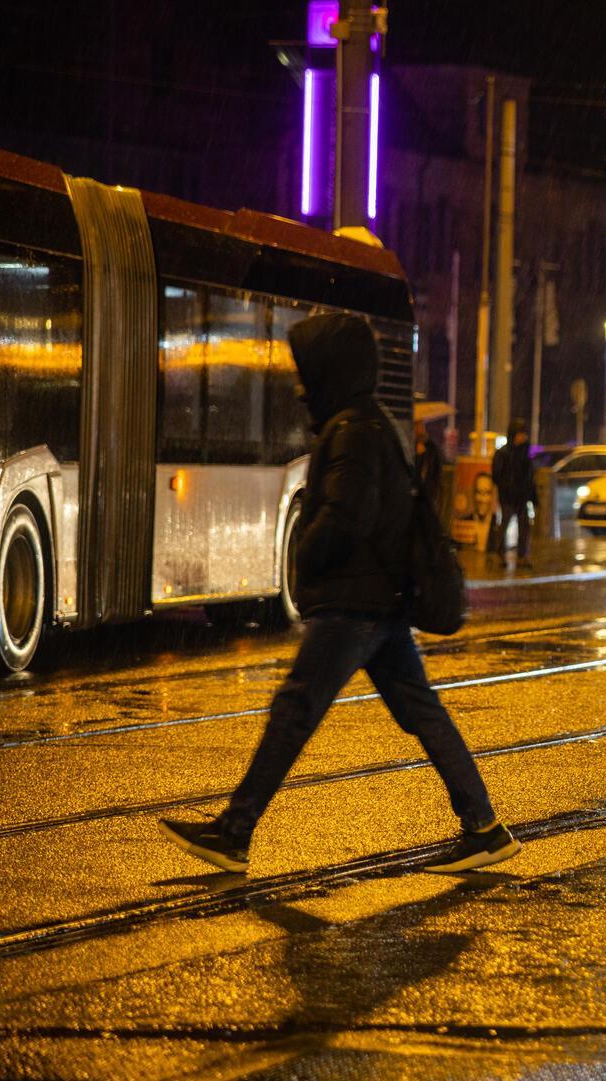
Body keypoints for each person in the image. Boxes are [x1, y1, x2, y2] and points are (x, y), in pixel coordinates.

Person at [160, 313, 517, 874]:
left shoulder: (351, 429)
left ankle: (234, 832)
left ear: (331, 370)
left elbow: (347, 516)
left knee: (294, 711)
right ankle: (484, 827)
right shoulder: (374, 425)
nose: (302, 386)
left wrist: (304, 551)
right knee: (422, 714)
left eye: (308, 372)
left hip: (354, 605)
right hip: (382, 603)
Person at [489, 418, 536, 565]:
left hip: (522, 495)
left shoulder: (525, 453)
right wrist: (507, 485)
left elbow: (529, 474)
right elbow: (496, 474)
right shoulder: (503, 453)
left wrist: (530, 492)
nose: (523, 437)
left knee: (524, 526)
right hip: (508, 495)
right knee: (505, 524)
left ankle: (523, 555)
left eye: (524, 434)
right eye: (520, 434)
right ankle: (500, 553)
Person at [414, 420, 446, 516]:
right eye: (416, 425)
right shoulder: (412, 446)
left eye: (419, 425)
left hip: (428, 495)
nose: (418, 428)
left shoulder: (431, 448)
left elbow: (434, 471)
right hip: (417, 495)